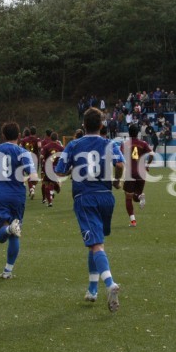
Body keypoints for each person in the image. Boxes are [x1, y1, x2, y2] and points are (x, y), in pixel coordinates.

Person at [55, 107, 125, 313]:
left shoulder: (74, 144)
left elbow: (59, 170)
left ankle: (110, 284)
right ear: (102, 125)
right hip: (106, 197)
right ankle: (92, 289)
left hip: (85, 198)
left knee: (95, 244)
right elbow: (120, 164)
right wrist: (117, 180)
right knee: (96, 242)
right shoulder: (110, 143)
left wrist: (70, 169)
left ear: (83, 125)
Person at [0, 122, 38, 279]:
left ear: (2, 136)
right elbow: (33, 176)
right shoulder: (24, 153)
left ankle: (9, 229)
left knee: (1, 234)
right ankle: (7, 271)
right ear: (19, 136)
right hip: (17, 196)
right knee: (15, 234)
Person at [122, 124, 153, 228]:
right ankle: (140, 196)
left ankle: (133, 221)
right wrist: (147, 165)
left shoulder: (125, 144)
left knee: (128, 198)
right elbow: (152, 154)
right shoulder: (143, 143)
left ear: (128, 133)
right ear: (138, 133)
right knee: (136, 197)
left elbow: (121, 157)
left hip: (130, 173)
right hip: (141, 173)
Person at [39, 131, 64, 206]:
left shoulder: (46, 146)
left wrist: (42, 158)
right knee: (51, 183)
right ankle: (56, 186)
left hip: (48, 167)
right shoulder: (60, 147)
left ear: (50, 138)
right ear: (57, 138)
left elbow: (41, 156)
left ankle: (49, 201)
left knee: (46, 184)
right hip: (56, 168)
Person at [19, 126, 41, 198]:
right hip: (35, 159)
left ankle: (31, 189)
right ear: (35, 132)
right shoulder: (37, 139)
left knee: (29, 174)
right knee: (34, 174)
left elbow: (19, 147)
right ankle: (32, 188)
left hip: (27, 159)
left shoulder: (24, 140)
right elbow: (40, 146)